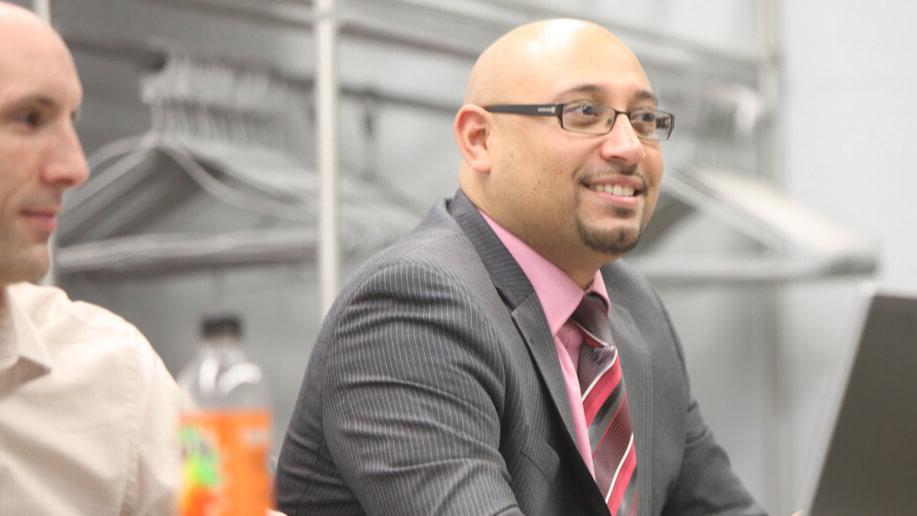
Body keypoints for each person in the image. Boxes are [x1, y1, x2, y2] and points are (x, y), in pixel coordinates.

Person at [276, 18, 763, 516]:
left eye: (643, 120)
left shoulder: (634, 307)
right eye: (585, 112)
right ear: (479, 139)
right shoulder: (410, 307)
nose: (629, 146)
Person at [0, 4, 180, 514]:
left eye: (71, 120)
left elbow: (226, 500)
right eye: (29, 118)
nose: (76, 168)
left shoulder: (118, 373)